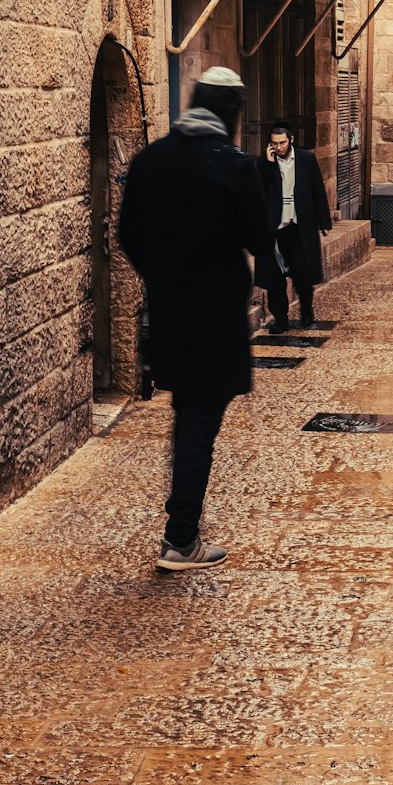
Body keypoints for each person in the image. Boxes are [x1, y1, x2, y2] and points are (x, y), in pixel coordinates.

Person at [119, 67, 268, 572]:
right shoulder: (234, 165)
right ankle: (181, 538)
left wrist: (163, 275)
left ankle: (182, 531)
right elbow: (259, 237)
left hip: (170, 312)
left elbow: (128, 235)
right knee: (199, 420)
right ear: (232, 113)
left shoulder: (151, 160)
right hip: (217, 318)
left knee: (189, 414)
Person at [256, 120, 332, 332]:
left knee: (303, 274)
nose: (279, 147)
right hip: (275, 230)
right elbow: (258, 191)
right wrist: (268, 164)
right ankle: (280, 319)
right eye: (274, 143)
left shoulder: (306, 159)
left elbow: (318, 189)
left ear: (291, 139)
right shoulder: (264, 163)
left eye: (282, 142)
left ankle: (307, 313)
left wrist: (324, 221)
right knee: (275, 279)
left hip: (299, 227)